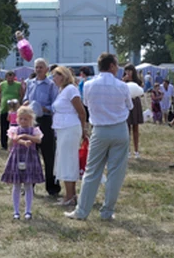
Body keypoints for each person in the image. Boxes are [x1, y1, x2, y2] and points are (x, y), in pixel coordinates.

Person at [66, 53, 132, 222]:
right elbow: (129, 106)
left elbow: (87, 104)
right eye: (116, 65)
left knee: (92, 171)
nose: (118, 69)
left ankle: (82, 211)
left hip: (100, 130)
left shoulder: (88, 85)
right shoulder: (122, 86)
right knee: (116, 173)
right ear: (111, 66)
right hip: (119, 129)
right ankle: (107, 211)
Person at [50, 65, 88, 207]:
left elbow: (81, 111)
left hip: (70, 128)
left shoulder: (71, 90)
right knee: (64, 160)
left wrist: (83, 129)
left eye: (56, 75)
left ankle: (70, 196)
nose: (54, 78)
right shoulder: (62, 91)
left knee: (68, 160)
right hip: (62, 128)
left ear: (64, 76)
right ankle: (69, 194)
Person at [23, 58, 60, 197]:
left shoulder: (51, 85)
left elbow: (55, 105)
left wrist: (45, 108)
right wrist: (25, 103)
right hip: (32, 122)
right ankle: (29, 185)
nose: (38, 69)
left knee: (48, 155)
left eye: (41, 67)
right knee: (31, 155)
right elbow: (25, 98)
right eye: (36, 67)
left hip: (46, 121)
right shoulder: (30, 83)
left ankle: (51, 186)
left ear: (46, 69)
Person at [1, 105, 45, 220]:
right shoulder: (14, 129)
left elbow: (38, 139)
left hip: (30, 158)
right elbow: (14, 138)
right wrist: (23, 141)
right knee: (16, 185)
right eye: (21, 119)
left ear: (31, 119)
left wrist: (26, 136)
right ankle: (16, 211)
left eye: (26, 119)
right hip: (17, 158)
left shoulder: (35, 130)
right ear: (17, 119)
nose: (23, 121)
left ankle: (28, 210)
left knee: (28, 185)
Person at [0, 70, 24, 151]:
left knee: (15, 127)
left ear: (14, 77)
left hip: (15, 110)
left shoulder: (18, 85)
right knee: (3, 127)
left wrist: (19, 103)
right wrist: (0, 101)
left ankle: (15, 142)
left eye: (11, 77)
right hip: (5, 109)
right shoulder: (2, 84)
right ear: (6, 77)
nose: (10, 79)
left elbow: (22, 94)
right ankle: (3, 144)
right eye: (8, 76)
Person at [122, 63, 144, 158]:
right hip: (126, 104)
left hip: (135, 103)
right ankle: (127, 151)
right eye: (126, 71)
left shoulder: (137, 81)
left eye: (130, 71)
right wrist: (123, 81)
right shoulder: (122, 81)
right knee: (127, 129)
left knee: (136, 127)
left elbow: (142, 92)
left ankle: (136, 150)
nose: (128, 73)